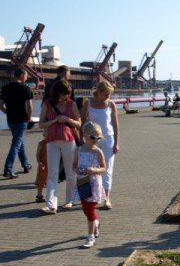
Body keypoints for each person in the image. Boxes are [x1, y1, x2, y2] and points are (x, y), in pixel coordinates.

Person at [38, 80, 81, 213]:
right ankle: (51, 205)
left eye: (66, 94)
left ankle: (70, 200)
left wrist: (67, 120)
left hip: (69, 140)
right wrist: (54, 121)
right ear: (56, 93)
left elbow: (79, 123)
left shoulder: (71, 104)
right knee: (52, 173)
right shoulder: (47, 104)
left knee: (70, 172)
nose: (64, 97)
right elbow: (40, 124)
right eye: (62, 94)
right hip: (52, 140)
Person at [81, 81, 120, 209]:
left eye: (109, 94)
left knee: (107, 168)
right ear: (99, 91)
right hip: (92, 140)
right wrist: (82, 139)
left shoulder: (111, 104)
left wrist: (117, 143)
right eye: (106, 93)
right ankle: (96, 195)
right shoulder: (88, 103)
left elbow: (115, 124)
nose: (108, 96)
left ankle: (106, 198)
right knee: (93, 168)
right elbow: (82, 122)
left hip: (108, 139)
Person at [74, 121, 106, 248]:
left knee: (90, 209)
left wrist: (94, 170)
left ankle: (90, 237)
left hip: (94, 184)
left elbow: (104, 168)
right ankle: (96, 224)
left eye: (98, 138)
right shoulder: (79, 150)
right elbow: (74, 165)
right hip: (82, 182)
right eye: (92, 137)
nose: (95, 140)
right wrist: (77, 170)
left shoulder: (98, 152)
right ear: (85, 136)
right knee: (85, 209)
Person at [0, 67, 33, 178]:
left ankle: (26, 165)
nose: (27, 77)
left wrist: (7, 113)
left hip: (11, 120)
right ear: (22, 75)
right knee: (16, 144)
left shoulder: (5, 88)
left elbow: (0, 106)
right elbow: (30, 106)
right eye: (26, 75)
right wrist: (29, 117)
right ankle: (7, 169)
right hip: (22, 120)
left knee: (19, 142)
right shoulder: (25, 88)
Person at [34, 137, 48, 202]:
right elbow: (37, 155)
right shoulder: (41, 143)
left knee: (50, 181)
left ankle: (49, 195)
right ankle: (39, 195)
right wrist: (39, 162)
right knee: (40, 181)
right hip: (43, 165)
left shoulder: (54, 142)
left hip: (51, 165)